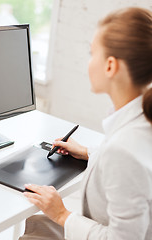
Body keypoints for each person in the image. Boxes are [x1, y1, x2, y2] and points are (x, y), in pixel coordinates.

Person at [20, 7, 152, 240]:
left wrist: (61, 214)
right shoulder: (141, 118)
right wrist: (90, 152)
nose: (89, 62)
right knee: (36, 224)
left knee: (37, 229)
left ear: (110, 66)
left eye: (93, 54)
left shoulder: (123, 150)